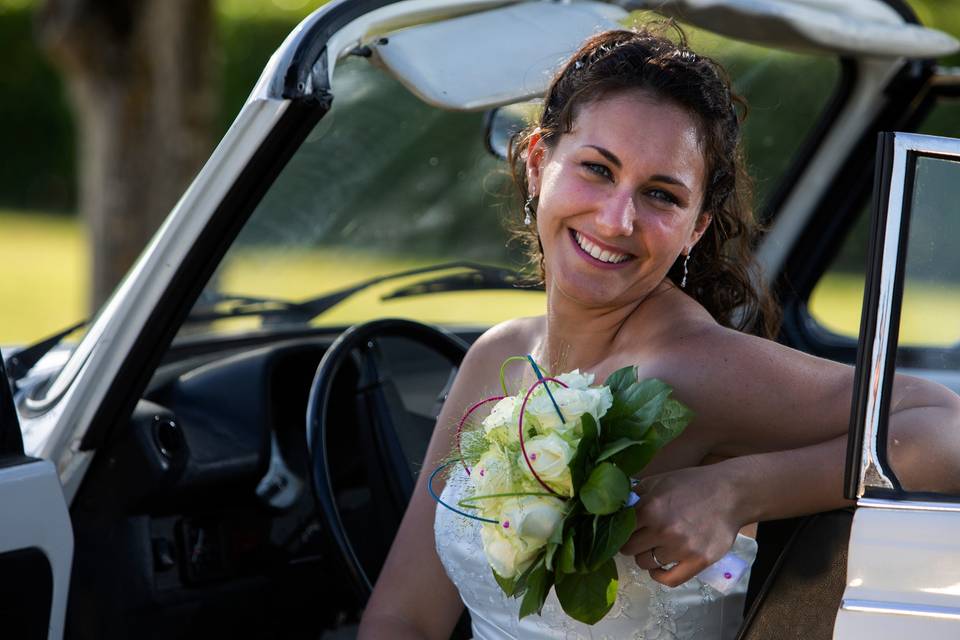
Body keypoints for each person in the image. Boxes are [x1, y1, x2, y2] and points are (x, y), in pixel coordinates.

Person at [358, 26, 960, 639]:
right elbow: (404, 616)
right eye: (597, 169)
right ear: (539, 162)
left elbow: (948, 429)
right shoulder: (498, 355)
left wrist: (737, 490)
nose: (618, 220)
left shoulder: (698, 371)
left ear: (695, 229)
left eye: (660, 195)